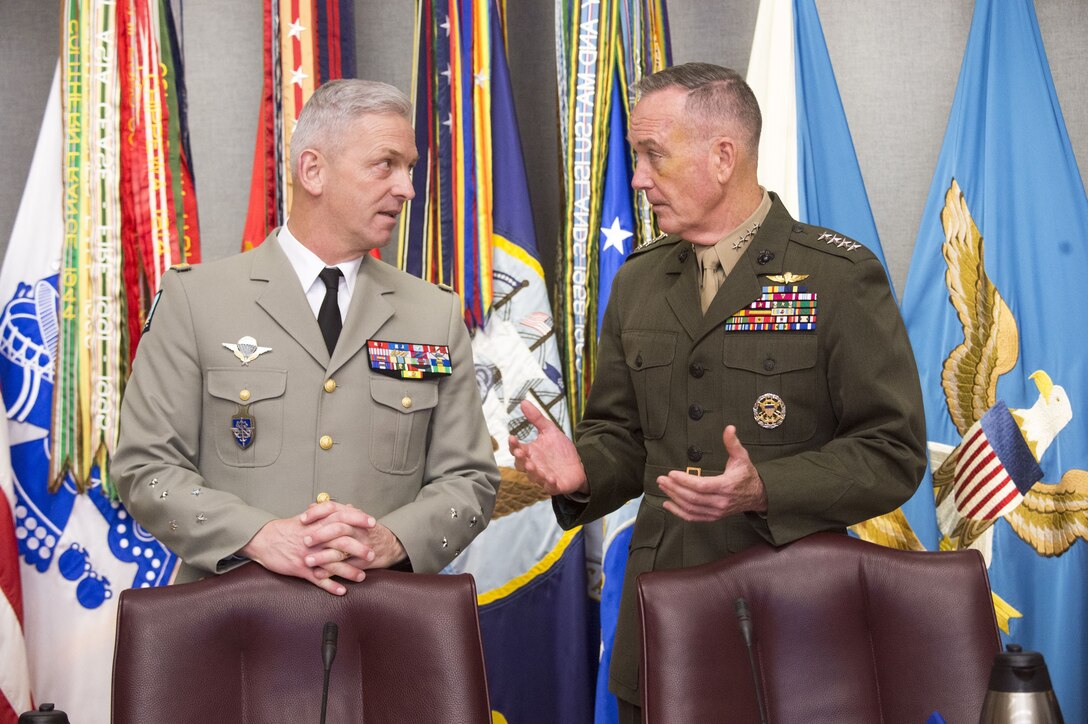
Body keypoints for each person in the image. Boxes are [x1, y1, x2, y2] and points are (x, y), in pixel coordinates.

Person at [509, 63, 926, 721]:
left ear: (723, 156)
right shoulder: (639, 282)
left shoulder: (837, 277)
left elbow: (892, 452)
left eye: (654, 155)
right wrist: (584, 468)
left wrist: (766, 487)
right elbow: (622, 434)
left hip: (796, 623)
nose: (639, 177)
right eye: (635, 157)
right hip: (662, 620)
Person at [114, 79, 500, 595]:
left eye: (409, 168)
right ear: (313, 170)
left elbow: (470, 480)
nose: (407, 188)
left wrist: (391, 540)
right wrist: (258, 536)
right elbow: (145, 467)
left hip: (382, 625)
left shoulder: (434, 314)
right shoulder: (196, 300)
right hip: (235, 623)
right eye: (386, 164)